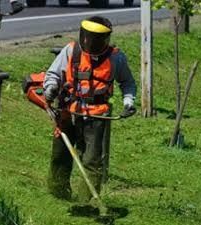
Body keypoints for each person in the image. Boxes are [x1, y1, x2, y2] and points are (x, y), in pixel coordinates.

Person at [43, 16, 137, 203]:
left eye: (95, 38)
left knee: (92, 161)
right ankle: (57, 194)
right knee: (60, 154)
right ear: (82, 35)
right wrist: (51, 88)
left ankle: (86, 201)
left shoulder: (115, 57)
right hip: (68, 112)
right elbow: (53, 74)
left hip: (96, 115)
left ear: (105, 39)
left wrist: (128, 102)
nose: (89, 42)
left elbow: (127, 82)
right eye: (86, 37)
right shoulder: (71, 51)